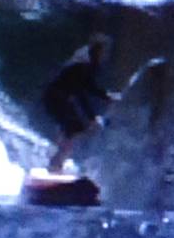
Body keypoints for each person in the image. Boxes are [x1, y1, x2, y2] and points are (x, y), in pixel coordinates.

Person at [42, 33, 118, 173]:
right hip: (55, 97)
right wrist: (92, 117)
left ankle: (55, 162)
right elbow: (80, 92)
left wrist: (107, 96)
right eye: (105, 51)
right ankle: (54, 166)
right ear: (98, 50)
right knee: (74, 128)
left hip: (59, 97)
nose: (106, 55)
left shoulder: (87, 60)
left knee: (72, 129)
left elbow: (88, 86)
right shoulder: (84, 64)